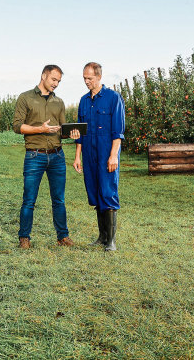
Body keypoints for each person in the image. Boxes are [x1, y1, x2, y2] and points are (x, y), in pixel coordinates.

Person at [12, 65, 78, 248]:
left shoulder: (59, 102)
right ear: (43, 76)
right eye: (53, 80)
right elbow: (17, 126)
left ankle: (62, 237)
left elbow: (63, 130)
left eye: (58, 81)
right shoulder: (25, 98)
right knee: (29, 200)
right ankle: (24, 237)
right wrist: (40, 129)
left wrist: (71, 134)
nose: (56, 84)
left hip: (57, 156)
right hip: (35, 156)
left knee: (59, 199)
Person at [72, 62, 126, 251]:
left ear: (99, 77)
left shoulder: (113, 98)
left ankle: (111, 240)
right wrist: (78, 156)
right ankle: (101, 237)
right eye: (84, 78)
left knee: (108, 192)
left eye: (90, 78)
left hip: (106, 154)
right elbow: (79, 132)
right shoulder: (84, 101)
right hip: (89, 154)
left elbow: (118, 131)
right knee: (95, 193)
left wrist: (113, 156)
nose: (86, 81)